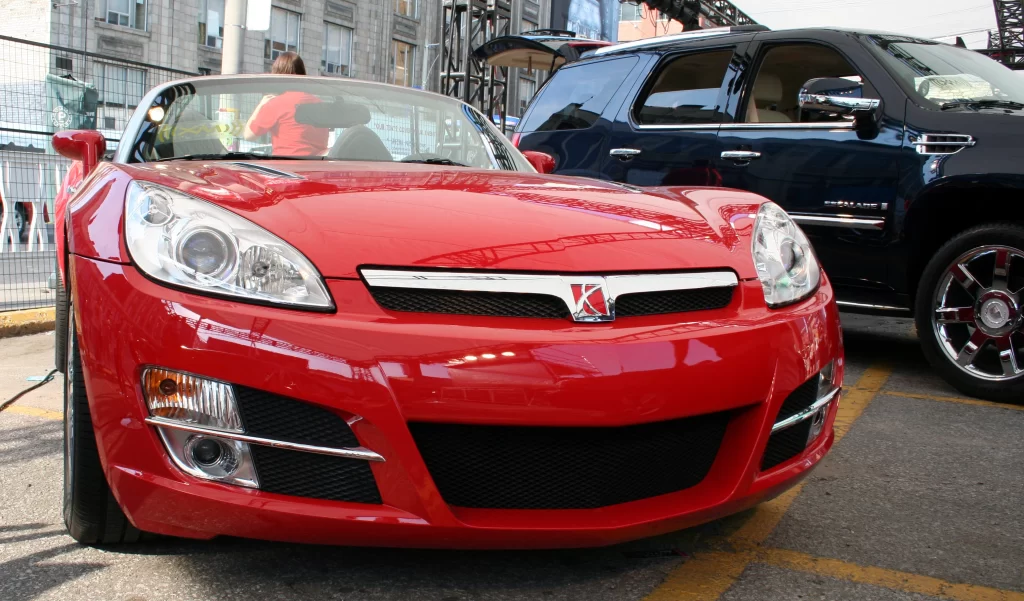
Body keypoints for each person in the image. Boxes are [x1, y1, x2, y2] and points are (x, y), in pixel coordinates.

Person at [243, 52, 328, 156]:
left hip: (285, 167)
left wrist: (261, 105)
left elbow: (249, 135)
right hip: (318, 166)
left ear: (277, 75)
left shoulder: (276, 104)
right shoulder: (320, 104)